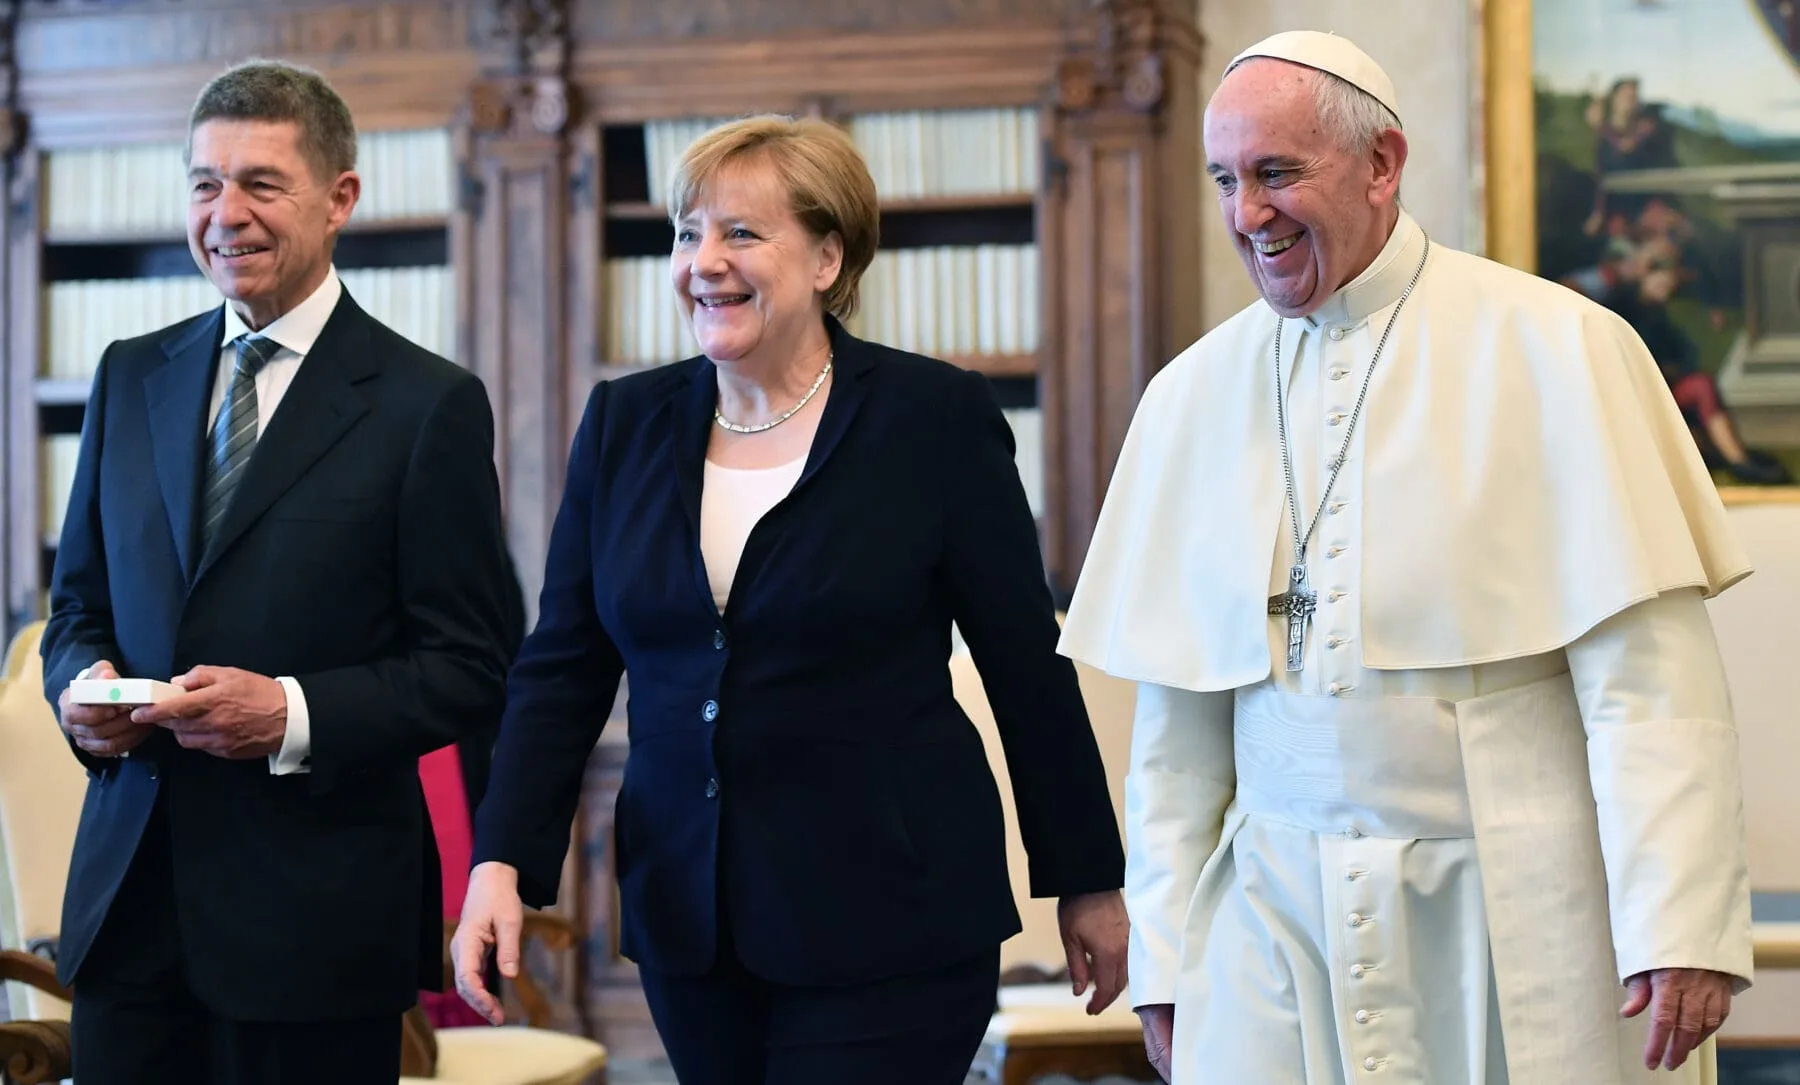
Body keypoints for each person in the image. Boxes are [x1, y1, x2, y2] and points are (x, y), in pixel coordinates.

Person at [1058, 30, 1754, 1085]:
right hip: (1274, 911)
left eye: (1276, 172)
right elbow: (1179, 736)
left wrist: (1682, 921)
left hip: (1522, 897)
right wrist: (1164, 953)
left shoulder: (1559, 346)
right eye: (1226, 180)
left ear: (1382, 163)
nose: (1247, 213)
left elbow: (1650, 690)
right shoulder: (1191, 394)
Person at [452, 114, 1130, 1084]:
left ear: (826, 258)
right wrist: (501, 861)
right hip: (692, 917)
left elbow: (1026, 665)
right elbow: (561, 666)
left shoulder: (932, 419)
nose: (704, 262)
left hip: (893, 915)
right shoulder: (622, 424)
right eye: (687, 233)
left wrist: (1087, 878)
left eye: (741, 232)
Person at [40, 58, 518, 1084]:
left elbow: (471, 664)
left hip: (316, 930)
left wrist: (289, 713)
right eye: (205, 184)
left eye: (262, 183)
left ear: (340, 198)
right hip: (128, 914)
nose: (227, 214)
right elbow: (77, 603)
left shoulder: (426, 404)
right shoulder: (130, 372)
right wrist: (80, 691)